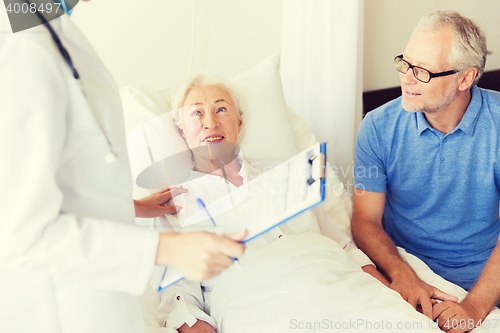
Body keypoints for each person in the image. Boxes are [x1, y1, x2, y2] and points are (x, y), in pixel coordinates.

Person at [0, 4, 245, 333]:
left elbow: (68, 180)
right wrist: (170, 248)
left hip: (101, 289)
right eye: (196, 113)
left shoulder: (51, 30)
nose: (209, 122)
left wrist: (134, 208)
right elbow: (22, 232)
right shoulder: (22, 51)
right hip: (63, 305)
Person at [150, 73, 449, 333]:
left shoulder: (288, 173)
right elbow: (181, 304)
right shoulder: (170, 206)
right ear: (181, 132)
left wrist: (391, 296)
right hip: (260, 309)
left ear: (239, 122)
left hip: (346, 287)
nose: (210, 122)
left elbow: (345, 248)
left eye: (221, 109)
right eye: (196, 113)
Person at [352, 10, 500, 331]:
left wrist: (474, 306)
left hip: (484, 273)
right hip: (406, 264)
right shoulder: (376, 127)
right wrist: (404, 276)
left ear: (465, 78)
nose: (405, 78)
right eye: (405, 63)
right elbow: (365, 220)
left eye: (421, 72)